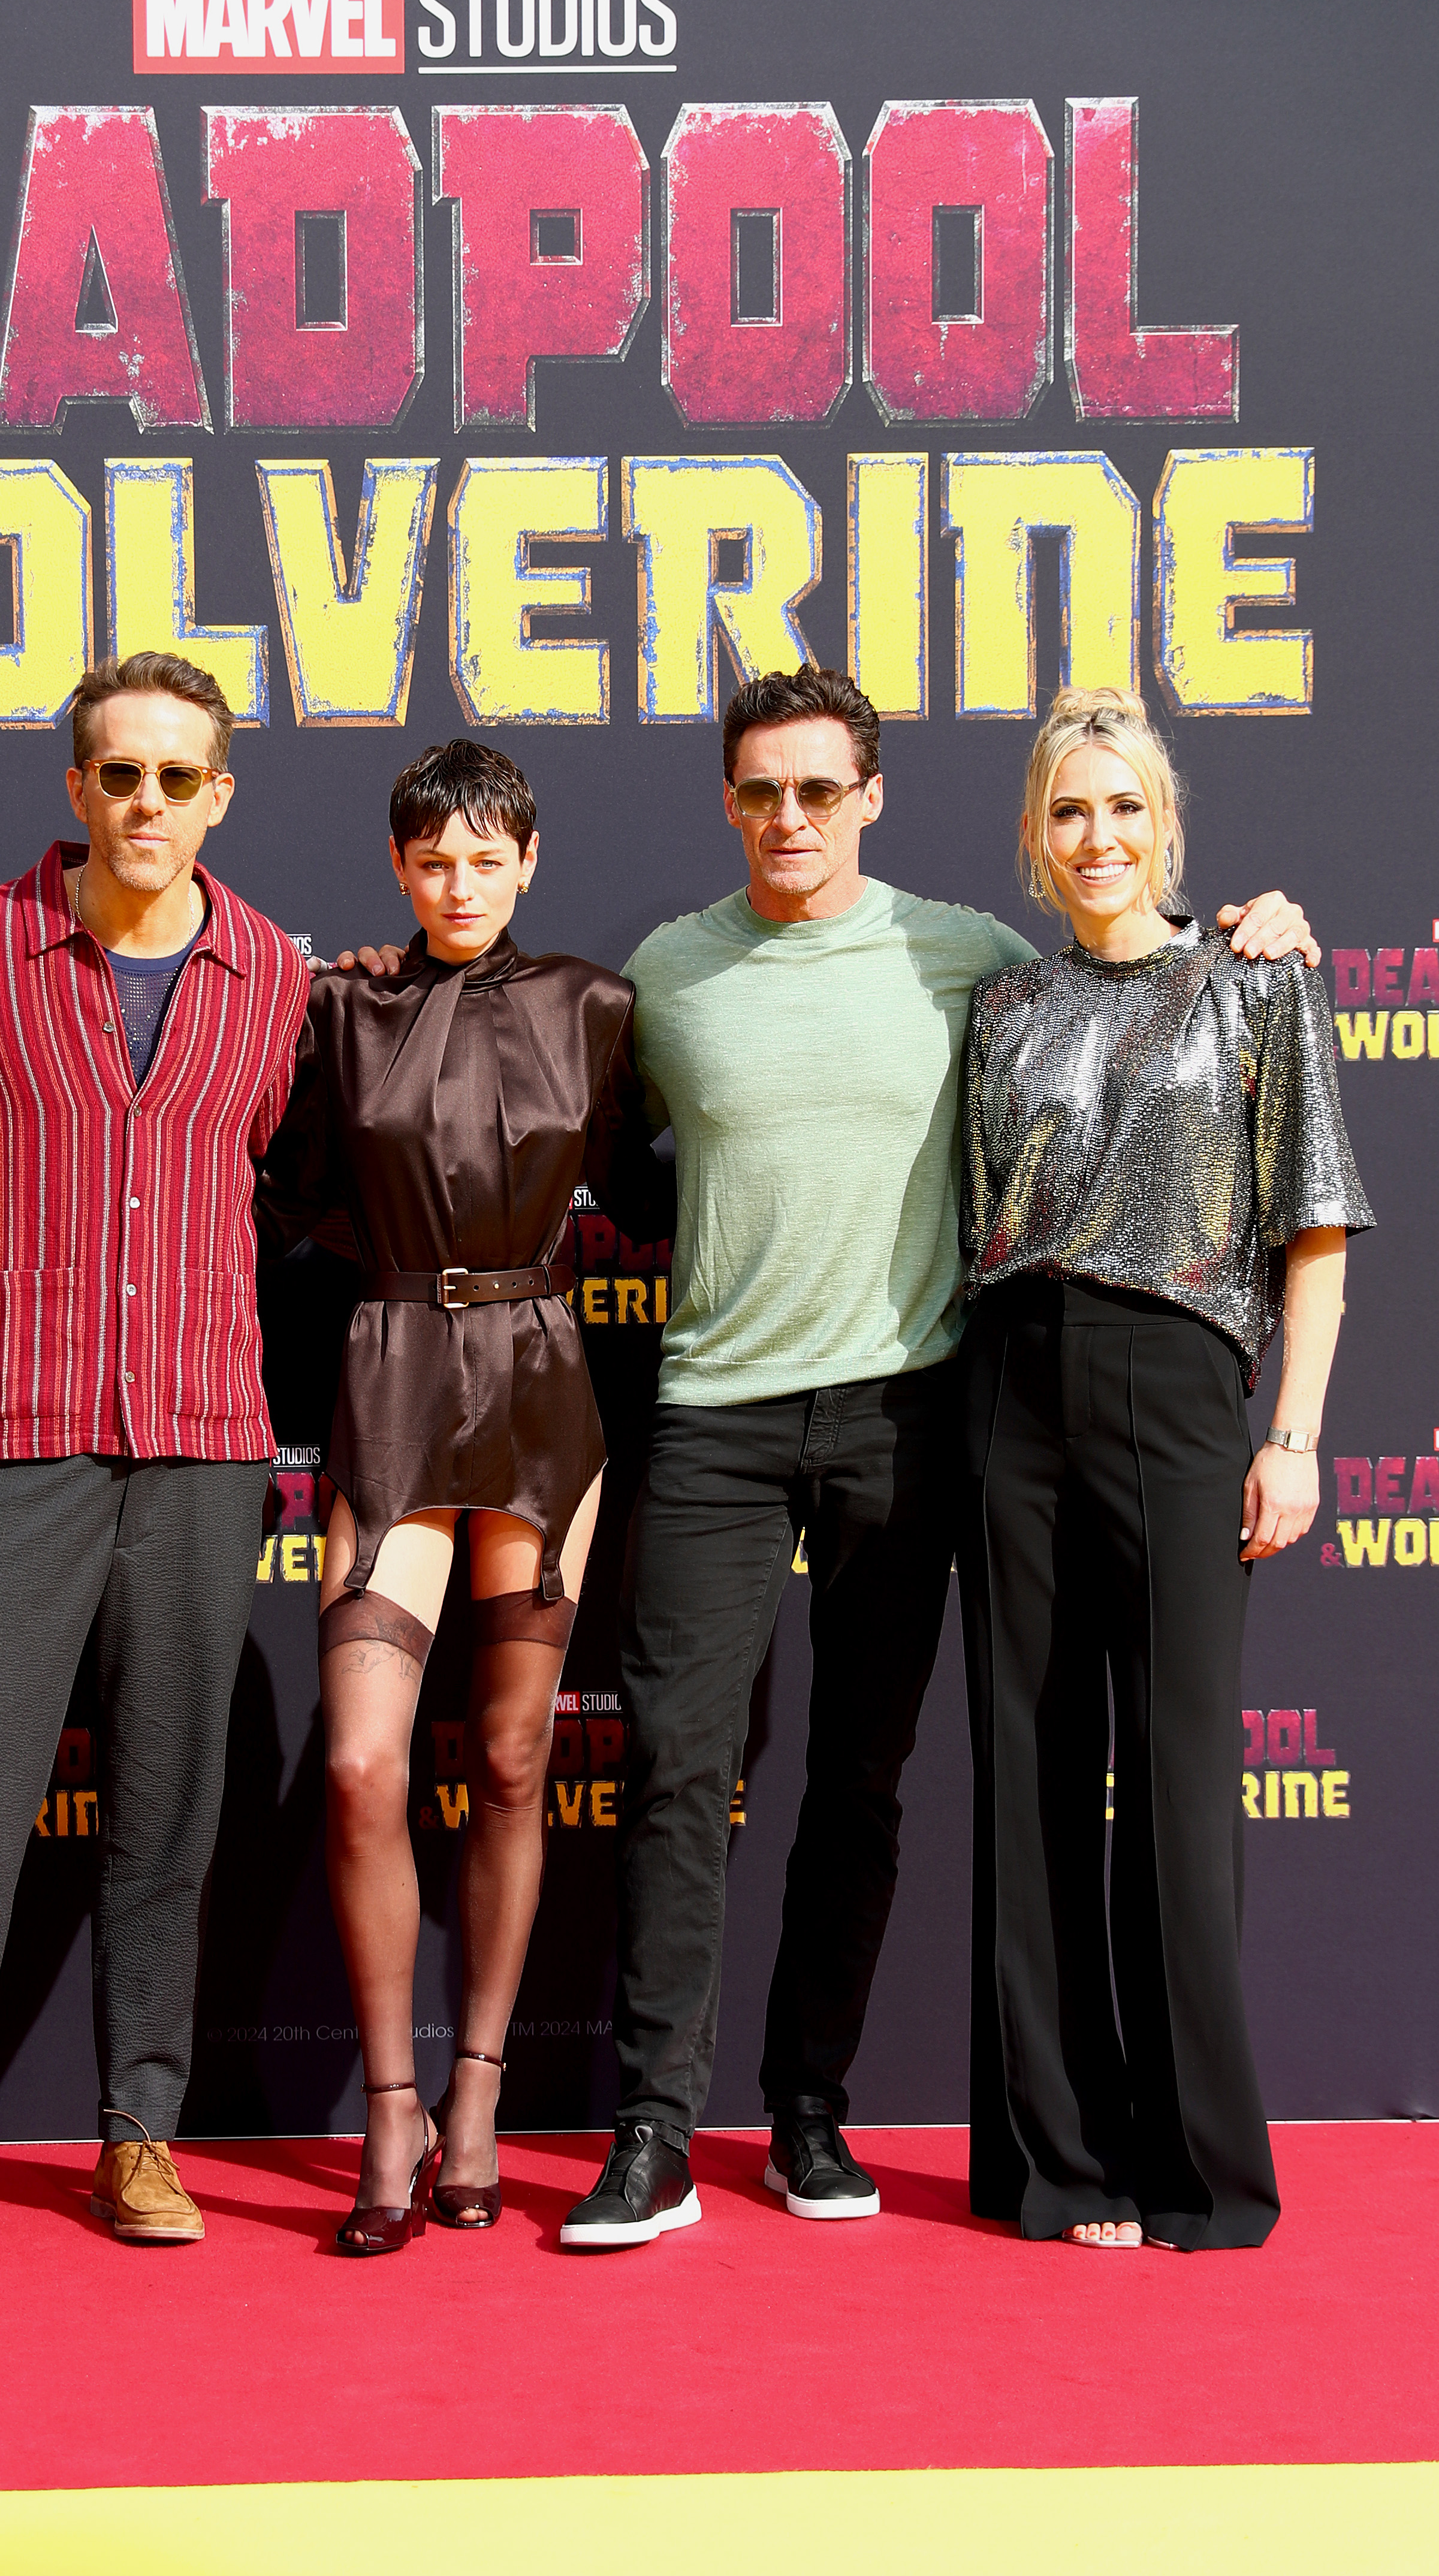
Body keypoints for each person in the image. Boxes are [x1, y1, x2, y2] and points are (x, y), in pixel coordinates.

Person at [558, 662, 1321, 2249]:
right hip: (758, 1413)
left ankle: (821, 2115)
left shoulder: (974, 958)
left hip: (925, 1411)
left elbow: (1272, 1169)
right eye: (761, 789)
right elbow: (568, 1123)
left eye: (819, 788)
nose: (789, 815)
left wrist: (1272, 924)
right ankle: (660, 2130)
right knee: (696, 1774)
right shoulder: (689, 978)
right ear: (727, 798)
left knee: (875, 1777)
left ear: (871, 795)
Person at [0, 651, 311, 2270]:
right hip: (11, 1435)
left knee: (166, 1812)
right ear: (75, 788)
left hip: (198, 1443)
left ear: (219, 795)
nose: (145, 804)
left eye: (176, 778)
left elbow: (270, 1174)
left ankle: (142, 2134)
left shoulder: (271, 974)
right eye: (117, 774)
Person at [958, 688, 1371, 2250]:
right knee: (1030, 1778)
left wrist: (1296, 1436)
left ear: (1168, 828)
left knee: (1182, 1788)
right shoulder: (999, 1010)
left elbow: (1313, 1232)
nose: (1097, 837)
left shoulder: (1256, 982)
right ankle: (1057, 2164)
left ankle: (1199, 2168)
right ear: (1032, 840)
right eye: (1068, 811)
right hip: (1014, 1381)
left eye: (1123, 807)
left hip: (1188, 1385)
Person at [258, 739, 670, 2251]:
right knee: (365, 1765)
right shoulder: (339, 1006)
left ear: (528, 859)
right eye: (432, 858)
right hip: (383, 1379)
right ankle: (389, 2105)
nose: (458, 883)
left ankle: (480, 2091)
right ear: (396, 863)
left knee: (511, 1763)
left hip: (546, 1387)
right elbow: (281, 1182)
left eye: (485, 857)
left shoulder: (597, 1007)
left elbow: (665, 1184)